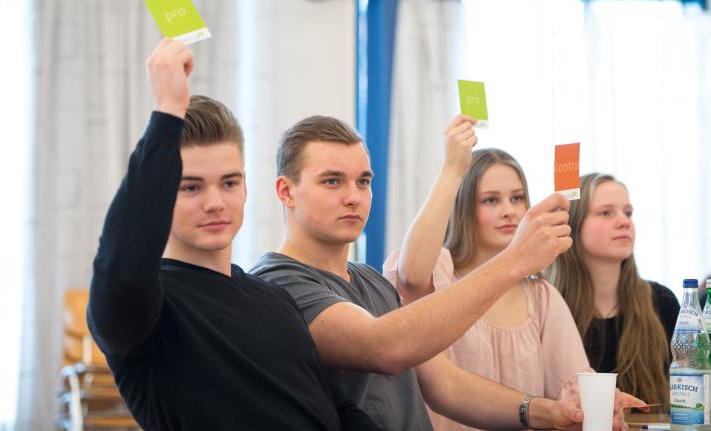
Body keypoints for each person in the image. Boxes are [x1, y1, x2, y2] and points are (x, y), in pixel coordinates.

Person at [250, 114, 640, 430]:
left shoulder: (369, 281)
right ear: (286, 191)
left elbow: (447, 385)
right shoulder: (277, 281)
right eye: (332, 181)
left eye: (363, 181)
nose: (353, 196)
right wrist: (515, 259)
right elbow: (385, 347)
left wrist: (546, 412)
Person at [87, 39, 382, 430]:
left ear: (245, 187)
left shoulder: (274, 299)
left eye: (228, 183)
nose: (215, 202)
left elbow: (335, 411)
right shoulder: (147, 313)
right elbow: (121, 266)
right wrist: (168, 113)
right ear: (161, 195)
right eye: (190, 187)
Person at [383, 134, 594, 431]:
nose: (508, 210)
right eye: (491, 200)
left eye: (517, 198)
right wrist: (452, 169)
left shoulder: (541, 296)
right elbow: (411, 276)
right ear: (465, 206)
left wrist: (597, 402)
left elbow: (575, 384)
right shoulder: (440, 271)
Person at [547, 172, 680, 410]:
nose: (624, 221)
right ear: (573, 225)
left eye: (627, 213)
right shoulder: (546, 304)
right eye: (606, 213)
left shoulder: (662, 301)